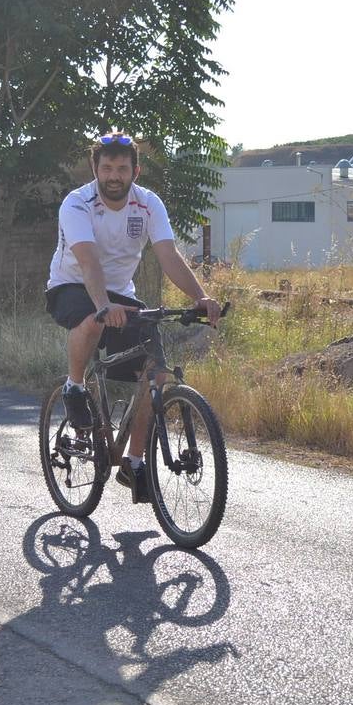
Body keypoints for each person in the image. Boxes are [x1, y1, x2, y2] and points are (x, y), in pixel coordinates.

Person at [44, 131, 222, 504]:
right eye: (106, 167)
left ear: (135, 172)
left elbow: (168, 254)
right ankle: (75, 387)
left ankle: (134, 462)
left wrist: (200, 297)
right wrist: (102, 306)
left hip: (122, 293)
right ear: (95, 169)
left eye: (121, 168)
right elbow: (89, 260)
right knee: (92, 318)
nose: (114, 175)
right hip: (73, 284)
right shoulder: (77, 203)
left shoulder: (148, 204)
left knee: (156, 374)